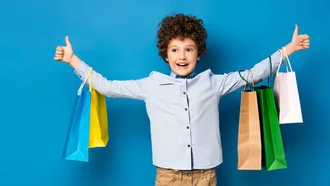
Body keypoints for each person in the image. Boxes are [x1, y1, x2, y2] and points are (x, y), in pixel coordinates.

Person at [53, 13, 310, 186]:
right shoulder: (151, 85)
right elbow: (106, 87)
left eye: (189, 49)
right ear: (165, 54)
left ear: (199, 54)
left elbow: (254, 74)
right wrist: (73, 60)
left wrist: (289, 49)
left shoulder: (214, 82)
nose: (182, 56)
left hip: (207, 175)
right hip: (168, 176)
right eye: (175, 50)